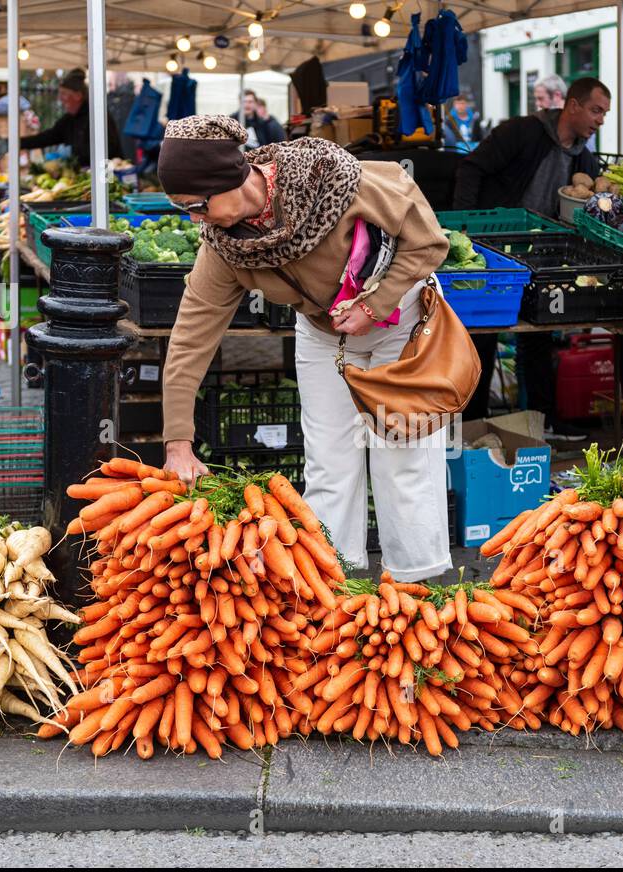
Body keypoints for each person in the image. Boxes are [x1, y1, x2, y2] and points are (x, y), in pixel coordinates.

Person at [157, 117, 452, 581]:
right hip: (323, 333)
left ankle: (416, 590)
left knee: (402, 456)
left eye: (195, 205)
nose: (195, 219)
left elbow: (429, 243)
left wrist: (375, 304)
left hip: (401, 320)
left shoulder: (335, 180)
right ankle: (335, 584)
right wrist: (178, 440)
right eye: (183, 209)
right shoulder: (223, 247)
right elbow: (192, 335)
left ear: (226, 180)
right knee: (329, 462)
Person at [454, 76, 610, 442]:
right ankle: (470, 425)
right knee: (482, 336)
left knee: (539, 339)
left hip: (541, 257)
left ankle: (545, 423)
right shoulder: (522, 132)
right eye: (595, 110)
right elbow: (470, 168)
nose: (600, 119)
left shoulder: (585, 159)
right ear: (572, 105)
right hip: (491, 250)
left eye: (604, 113)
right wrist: (465, 227)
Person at [18, 68, 123, 167]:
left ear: (78, 96)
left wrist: (72, 151)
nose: (60, 99)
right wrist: (17, 143)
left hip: (107, 174)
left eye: (63, 94)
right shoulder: (69, 120)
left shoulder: (97, 116)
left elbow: (106, 148)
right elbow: (48, 137)